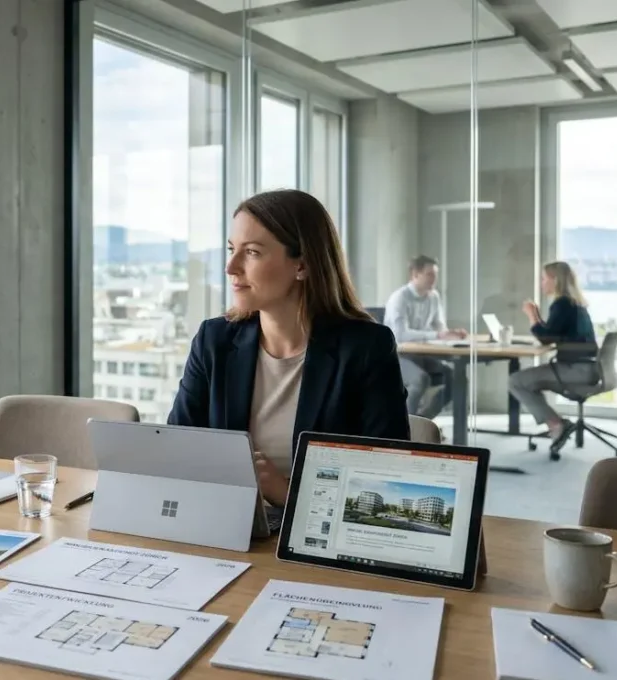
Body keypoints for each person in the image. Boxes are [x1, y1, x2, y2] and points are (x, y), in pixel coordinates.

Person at [168, 190, 410, 507]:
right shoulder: (215, 340)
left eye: (252, 252)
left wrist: (283, 491)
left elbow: (387, 482)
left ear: (302, 265)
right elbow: (175, 450)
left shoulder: (366, 349)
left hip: (316, 543)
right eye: (231, 250)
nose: (231, 267)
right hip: (221, 525)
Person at [508, 261, 598, 453]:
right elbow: (552, 333)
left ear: (555, 280)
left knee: (516, 381)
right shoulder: (573, 303)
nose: (541, 284)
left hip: (575, 370)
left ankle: (556, 424)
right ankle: (556, 422)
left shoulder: (562, 304)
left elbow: (546, 338)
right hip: (587, 367)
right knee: (527, 382)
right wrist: (538, 317)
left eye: (544, 279)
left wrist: (532, 316)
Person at [383, 255, 468, 418]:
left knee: (458, 378)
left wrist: (451, 334)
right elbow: (400, 335)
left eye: (435, 274)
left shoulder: (433, 296)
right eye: (430, 274)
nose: (434, 279)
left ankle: (423, 421)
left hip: (421, 355)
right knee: (420, 379)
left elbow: (440, 327)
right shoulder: (399, 298)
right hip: (397, 356)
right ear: (415, 275)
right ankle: (406, 430)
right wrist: (438, 334)